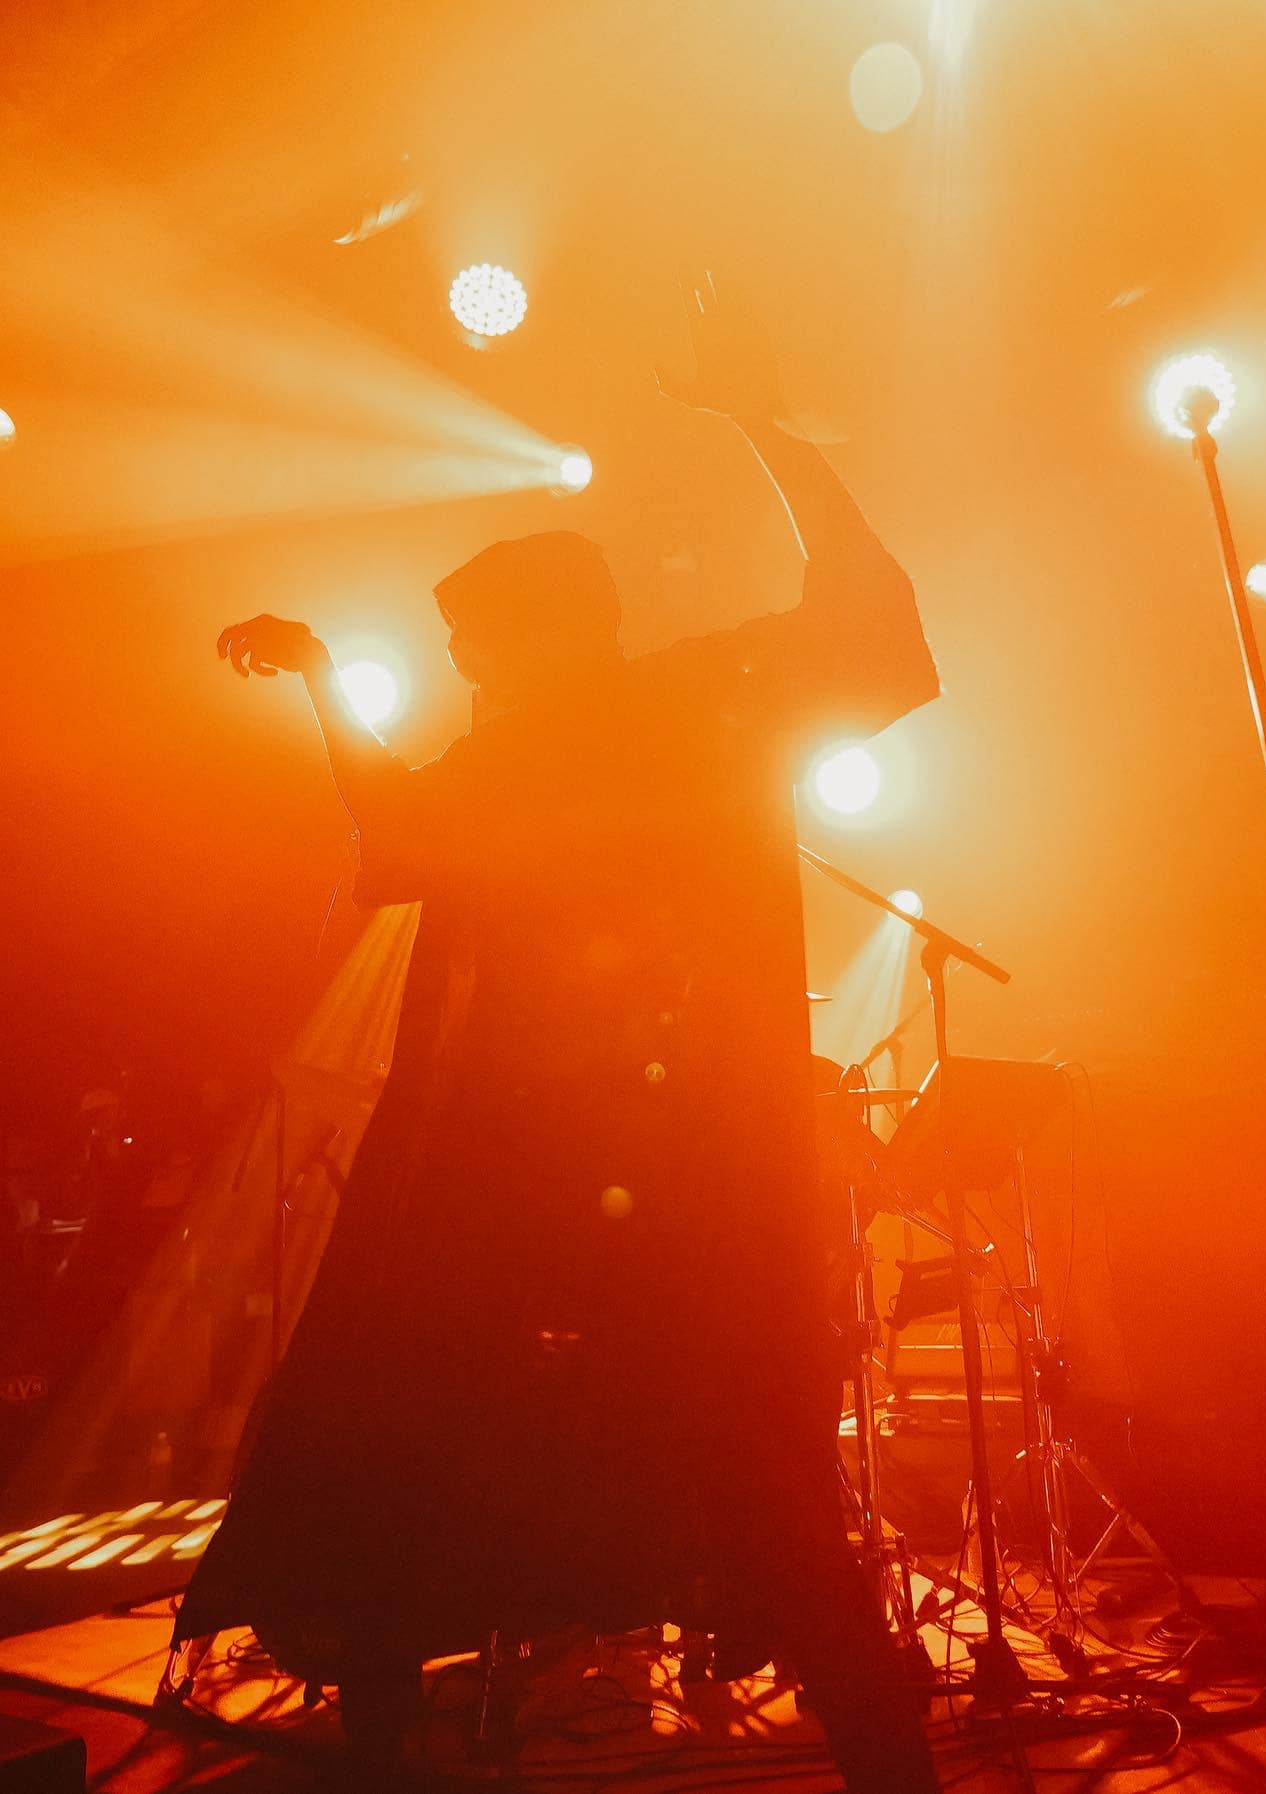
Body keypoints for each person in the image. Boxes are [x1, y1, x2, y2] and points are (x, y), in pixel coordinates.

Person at [173, 275, 941, 1793]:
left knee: (467, 1452)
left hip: (600, 1184)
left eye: (476, 642)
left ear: (542, 633)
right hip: (612, 1185)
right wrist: (761, 424)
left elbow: (398, 832)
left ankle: (404, 1728)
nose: (464, 671)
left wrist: (764, 425)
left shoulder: (661, 714)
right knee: (699, 1477)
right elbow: (875, 627)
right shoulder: (632, 723)